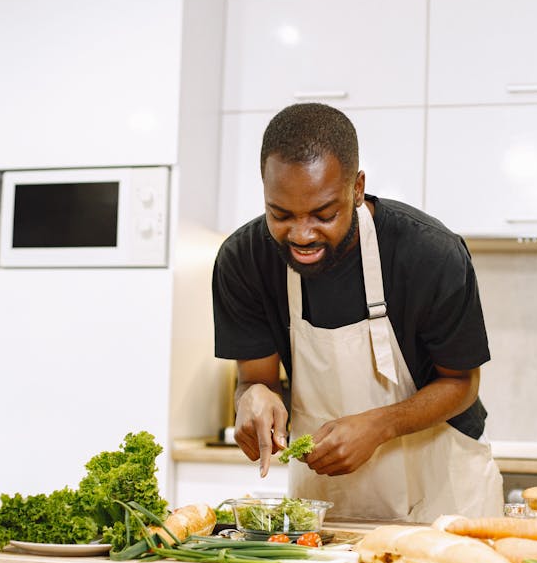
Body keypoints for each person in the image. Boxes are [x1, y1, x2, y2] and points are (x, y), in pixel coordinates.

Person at [211, 103, 502, 522]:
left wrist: (380, 426)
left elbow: (462, 383)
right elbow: (255, 380)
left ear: (357, 187)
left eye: (324, 214)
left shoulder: (429, 253)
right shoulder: (244, 260)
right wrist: (253, 398)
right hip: (329, 499)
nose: (302, 235)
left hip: (444, 495)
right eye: (281, 214)